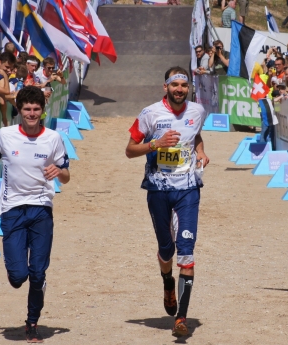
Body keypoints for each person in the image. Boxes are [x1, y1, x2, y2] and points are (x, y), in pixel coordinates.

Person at [125, 66, 209, 337]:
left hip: (188, 190)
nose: (179, 90)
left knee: (186, 251)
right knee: (166, 249)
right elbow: (129, 150)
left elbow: (194, 134)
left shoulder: (197, 111)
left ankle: (181, 319)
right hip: (158, 190)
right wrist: (155, 144)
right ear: (166, 87)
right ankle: (166, 282)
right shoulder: (150, 114)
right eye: (175, 85)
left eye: (184, 85)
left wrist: (201, 152)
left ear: (188, 88)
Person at [0, 86, 70, 343]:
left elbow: (66, 176)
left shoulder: (53, 138)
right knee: (18, 276)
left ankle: (32, 322)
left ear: (43, 111)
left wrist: (59, 172)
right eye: (27, 109)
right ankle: (23, 279)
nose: (31, 113)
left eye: (36, 109)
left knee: (38, 272)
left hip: (41, 208)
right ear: (19, 111)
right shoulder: (5, 135)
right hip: (11, 210)